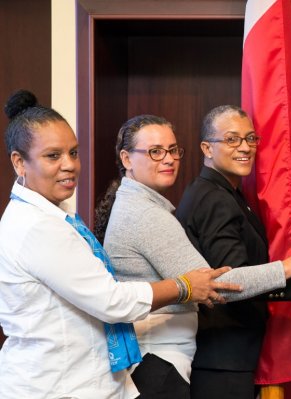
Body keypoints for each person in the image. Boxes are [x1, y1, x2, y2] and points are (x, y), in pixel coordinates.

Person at [0, 90, 234, 398]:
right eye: (53, 156)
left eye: (74, 153)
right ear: (19, 162)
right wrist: (184, 287)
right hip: (56, 385)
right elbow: (112, 301)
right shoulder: (37, 227)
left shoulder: (55, 214)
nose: (69, 165)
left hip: (87, 378)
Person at [95, 114, 291, 398]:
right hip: (164, 359)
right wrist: (290, 266)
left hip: (166, 359)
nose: (168, 159)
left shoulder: (144, 204)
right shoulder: (148, 214)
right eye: (155, 151)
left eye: (173, 150)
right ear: (127, 159)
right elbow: (215, 284)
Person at [175, 105, 291, 398]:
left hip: (230, 355)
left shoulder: (224, 192)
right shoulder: (214, 198)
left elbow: (250, 276)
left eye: (251, 139)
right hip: (220, 358)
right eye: (232, 139)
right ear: (206, 147)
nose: (245, 147)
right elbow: (232, 281)